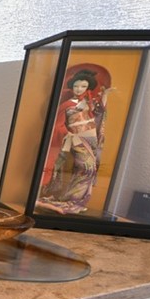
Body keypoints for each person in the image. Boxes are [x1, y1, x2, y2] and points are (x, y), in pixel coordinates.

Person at [37, 68, 114, 215]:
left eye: (83, 86)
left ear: (88, 87)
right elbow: (58, 124)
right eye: (76, 86)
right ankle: (73, 199)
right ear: (71, 87)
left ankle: (77, 199)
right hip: (77, 138)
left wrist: (105, 95)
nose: (79, 89)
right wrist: (69, 134)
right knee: (86, 168)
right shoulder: (67, 104)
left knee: (87, 170)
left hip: (91, 139)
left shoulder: (88, 102)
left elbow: (99, 113)